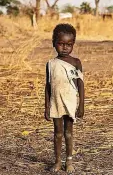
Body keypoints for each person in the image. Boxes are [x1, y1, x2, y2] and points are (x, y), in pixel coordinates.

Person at [45, 23, 85, 173]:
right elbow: (48, 86)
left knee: (68, 132)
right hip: (56, 101)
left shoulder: (76, 63)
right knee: (57, 133)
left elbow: (80, 84)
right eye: (61, 44)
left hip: (70, 101)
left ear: (73, 44)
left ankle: (69, 161)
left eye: (69, 44)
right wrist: (46, 106)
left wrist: (81, 105)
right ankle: (57, 162)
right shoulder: (51, 64)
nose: (65, 47)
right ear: (54, 43)